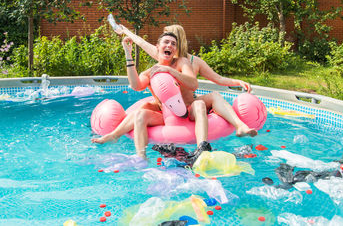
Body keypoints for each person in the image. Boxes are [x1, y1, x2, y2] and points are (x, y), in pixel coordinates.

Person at [114, 24, 257, 137]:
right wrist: (126, 31)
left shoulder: (193, 61)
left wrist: (237, 82)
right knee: (144, 107)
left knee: (214, 96)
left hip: (189, 105)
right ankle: (114, 134)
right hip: (166, 107)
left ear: (177, 40)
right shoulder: (162, 55)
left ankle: (240, 126)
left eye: (171, 39)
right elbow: (141, 42)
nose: (167, 43)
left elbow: (217, 78)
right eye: (165, 39)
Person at [92, 32, 210, 159]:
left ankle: (201, 150)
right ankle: (141, 157)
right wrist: (128, 54)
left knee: (200, 103)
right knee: (140, 114)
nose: (170, 45)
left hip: (186, 110)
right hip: (165, 115)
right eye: (166, 42)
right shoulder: (150, 73)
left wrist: (170, 71)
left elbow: (193, 84)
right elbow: (136, 86)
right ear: (157, 47)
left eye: (173, 44)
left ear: (175, 49)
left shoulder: (182, 62)